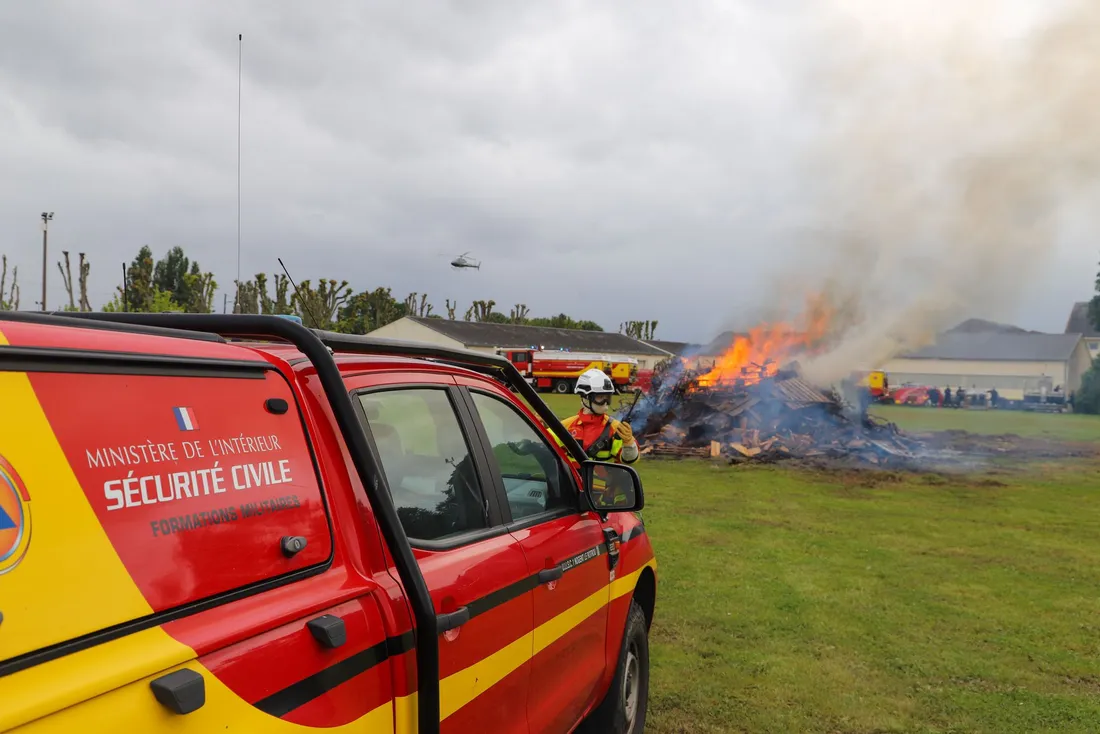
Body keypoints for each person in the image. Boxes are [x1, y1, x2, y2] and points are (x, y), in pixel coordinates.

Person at [560, 368, 640, 464]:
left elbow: (630, 460)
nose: (605, 403)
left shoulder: (616, 428)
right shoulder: (565, 426)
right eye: (600, 397)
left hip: (603, 479)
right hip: (573, 479)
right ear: (585, 398)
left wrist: (629, 444)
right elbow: (544, 447)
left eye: (607, 397)